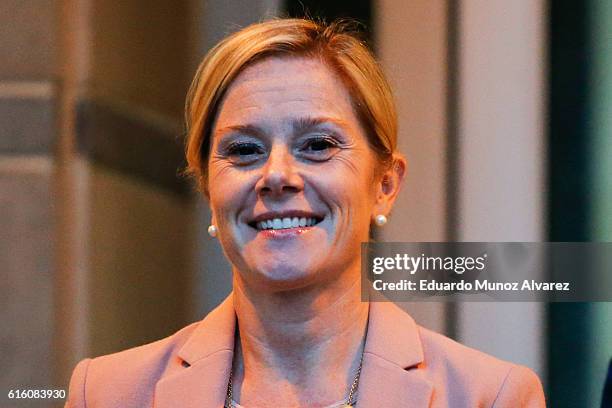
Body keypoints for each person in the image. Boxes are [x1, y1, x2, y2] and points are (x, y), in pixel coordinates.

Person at [65, 18, 546, 407]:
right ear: (209, 190)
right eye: (244, 149)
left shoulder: (491, 396)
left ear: (385, 185)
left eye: (317, 145)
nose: (277, 175)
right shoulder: (106, 393)